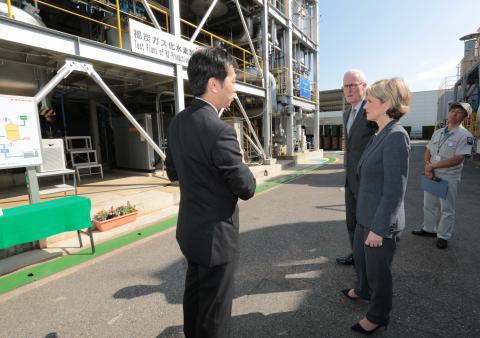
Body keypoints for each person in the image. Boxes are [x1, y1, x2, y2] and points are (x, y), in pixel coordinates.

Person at [165, 47, 256, 337]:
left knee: (195, 300)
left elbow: (173, 172)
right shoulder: (221, 131)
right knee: (216, 313)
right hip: (217, 239)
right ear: (214, 84)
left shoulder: (178, 121)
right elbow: (247, 187)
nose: (235, 89)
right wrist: (238, 159)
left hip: (190, 232)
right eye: (233, 80)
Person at [341, 78, 411, 334]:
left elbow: (395, 190)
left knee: (379, 274)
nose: (365, 105)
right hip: (365, 215)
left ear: (386, 104)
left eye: (369, 101)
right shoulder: (379, 133)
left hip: (380, 222)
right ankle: (362, 290)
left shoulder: (395, 136)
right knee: (361, 260)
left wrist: (379, 229)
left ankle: (378, 315)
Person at [412, 102, 473, 249]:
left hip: (448, 176)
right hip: (431, 173)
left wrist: (432, 165)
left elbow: (458, 159)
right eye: (452, 110)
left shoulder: (465, 135)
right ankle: (429, 229)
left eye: (459, 112)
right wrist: (428, 164)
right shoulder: (438, 132)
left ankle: (443, 236)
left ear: (464, 117)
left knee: (447, 209)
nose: (454, 113)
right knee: (428, 205)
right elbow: (428, 150)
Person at [337, 69, 377, 266]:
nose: (349, 89)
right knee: (351, 221)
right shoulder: (347, 114)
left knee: (366, 222)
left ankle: (368, 260)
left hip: (367, 179)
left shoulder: (371, 111)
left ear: (364, 87)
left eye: (353, 85)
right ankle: (356, 254)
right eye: (346, 85)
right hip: (349, 178)